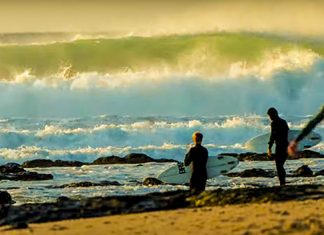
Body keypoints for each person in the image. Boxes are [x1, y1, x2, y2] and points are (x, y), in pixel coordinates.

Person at [267, 107, 289, 186]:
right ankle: (283, 182)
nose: (270, 117)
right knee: (280, 165)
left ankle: (282, 183)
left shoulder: (274, 123)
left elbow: (273, 136)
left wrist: (269, 148)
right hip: (286, 146)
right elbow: (287, 133)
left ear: (273, 115)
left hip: (280, 147)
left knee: (279, 165)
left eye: (270, 115)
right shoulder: (284, 122)